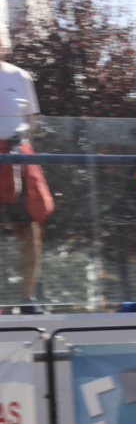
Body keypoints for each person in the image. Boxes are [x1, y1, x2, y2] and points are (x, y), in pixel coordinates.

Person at [0, 39, 53, 315]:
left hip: (15, 155)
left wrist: (22, 148)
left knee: (28, 227)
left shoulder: (20, 75)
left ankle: (27, 298)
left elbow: (30, 120)